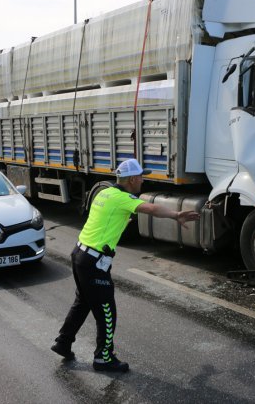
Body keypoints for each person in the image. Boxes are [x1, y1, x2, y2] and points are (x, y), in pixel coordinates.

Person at [51, 158, 200, 372]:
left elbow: (106, 219)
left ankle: (63, 342)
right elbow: (151, 208)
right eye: (140, 176)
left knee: (83, 302)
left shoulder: (104, 193)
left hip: (80, 254)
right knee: (106, 310)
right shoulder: (123, 198)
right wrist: (176, 214)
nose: (143, 180)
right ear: (131, 179)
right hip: (93, 262)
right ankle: (103, 358)